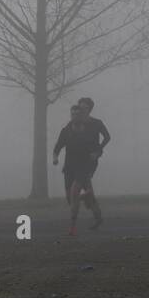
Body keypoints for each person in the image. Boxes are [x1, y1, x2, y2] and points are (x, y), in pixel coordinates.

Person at [53, 104, 103, 235]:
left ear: (82, 116)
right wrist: (55, 157)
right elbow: (57, 147)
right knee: (71, 199)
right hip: (69, 167)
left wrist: (96, 154)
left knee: (75, 193)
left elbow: (98, 148)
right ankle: (97, 214)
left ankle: (72, 227)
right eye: (73, 114)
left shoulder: (89, 132)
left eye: (77, 114)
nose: (75, 117)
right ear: (70, 115)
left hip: (84, 167)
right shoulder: (66, 131)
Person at [76, 96, 109, 226]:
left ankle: (95, 213)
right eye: (80, 107)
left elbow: (107, 137)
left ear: (89, 109)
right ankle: (97, 215)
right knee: (86, 187)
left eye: (84, 108)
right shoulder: (76, 123)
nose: (82, 110)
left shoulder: (97, 123)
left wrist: (98, 151)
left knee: (84, 185)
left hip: (91, 159)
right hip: (77, 159)